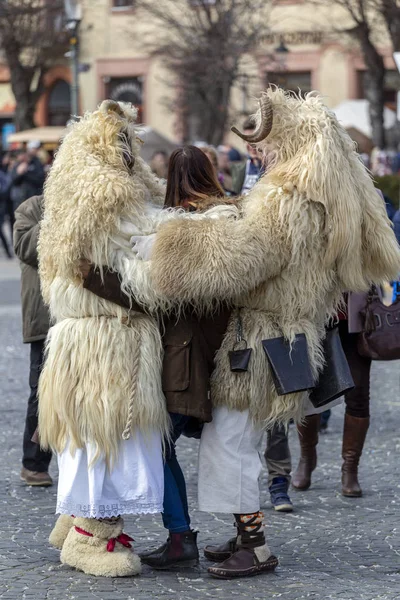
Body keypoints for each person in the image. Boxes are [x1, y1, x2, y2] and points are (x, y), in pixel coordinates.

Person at [142, 88, 400, 579]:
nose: (258, 152)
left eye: (264, 144)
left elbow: (240, 264)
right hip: (281, 336)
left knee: (229, 443)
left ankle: (255, 545)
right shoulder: (318, 194)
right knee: (237, 439)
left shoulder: (286, 198)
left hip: (260, 340)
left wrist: (171, 246)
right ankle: (244, 534)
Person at [82, 145, 233, 569]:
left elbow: (157, 297)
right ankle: (210, 535)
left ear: (172, 178)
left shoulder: (184, 229)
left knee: (161, 445)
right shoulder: (226, 219)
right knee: (196, 447)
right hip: (213, 355)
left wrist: (91, 276)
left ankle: (183, 537)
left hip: (185, 359)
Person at [38, 100, 172, 578]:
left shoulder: (74, 200)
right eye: (121, 145)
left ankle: (74, 519)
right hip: (105, 343)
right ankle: (89, 536)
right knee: (107, 438)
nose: (128, 153)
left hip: (95, 340)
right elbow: (124, 275)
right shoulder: (104, 199)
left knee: (94, 436)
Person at [292, 291, 378, 497]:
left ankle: (350, 468)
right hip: (314, 314)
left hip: (356, 318)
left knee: (358, 394)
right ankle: (306, 456)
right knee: (309, 392)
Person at [13, 195, 52, 485]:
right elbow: (25, 248)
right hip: (45, 319)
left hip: (81, 316)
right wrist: (56, 217)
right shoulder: (31, 208)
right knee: (42, 393)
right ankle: (34, 463)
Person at [230, 117, 264, 195]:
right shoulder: (239, 169)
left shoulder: (271, 168)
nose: (252, 145)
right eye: (247, 140)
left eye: (255, 140)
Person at [10, 143, 45, 211]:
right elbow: (14, 181)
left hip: (34, 198)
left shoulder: (36, 163)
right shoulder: (17, 165)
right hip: (19, 199)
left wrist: (26, 173)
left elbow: (40, 180)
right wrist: (19, 173)